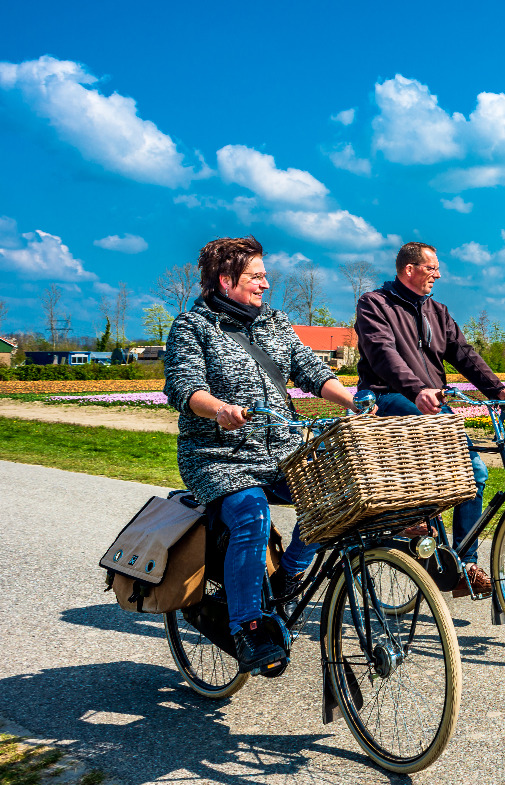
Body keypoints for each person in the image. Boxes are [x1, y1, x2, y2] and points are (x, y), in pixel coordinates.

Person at [164, 236, 364, 676]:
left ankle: (290, 572)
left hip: (281, 450)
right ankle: (247, 627)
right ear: (225, 279)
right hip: (219, 455)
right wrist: (219, 410)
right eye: (256, 276)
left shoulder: (274, 323)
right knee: (251, 513)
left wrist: (351, 402)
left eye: (264, 275)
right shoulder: (192, 327)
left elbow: (311, 371)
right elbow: (184, 387)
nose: (266, 284)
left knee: (336, 493)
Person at [354, 242, 505, 595]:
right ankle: (412, 522)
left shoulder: (438, 311)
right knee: (441, 469)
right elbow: (384, 355)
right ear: (409, 270)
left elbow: (465, 355)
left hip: (428, 401)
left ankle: (465, 564)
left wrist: (499, 392)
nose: (438, 274)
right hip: (388, 396)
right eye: (431, 268)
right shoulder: (374, 305)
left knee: (475, 472)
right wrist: (417, 389)